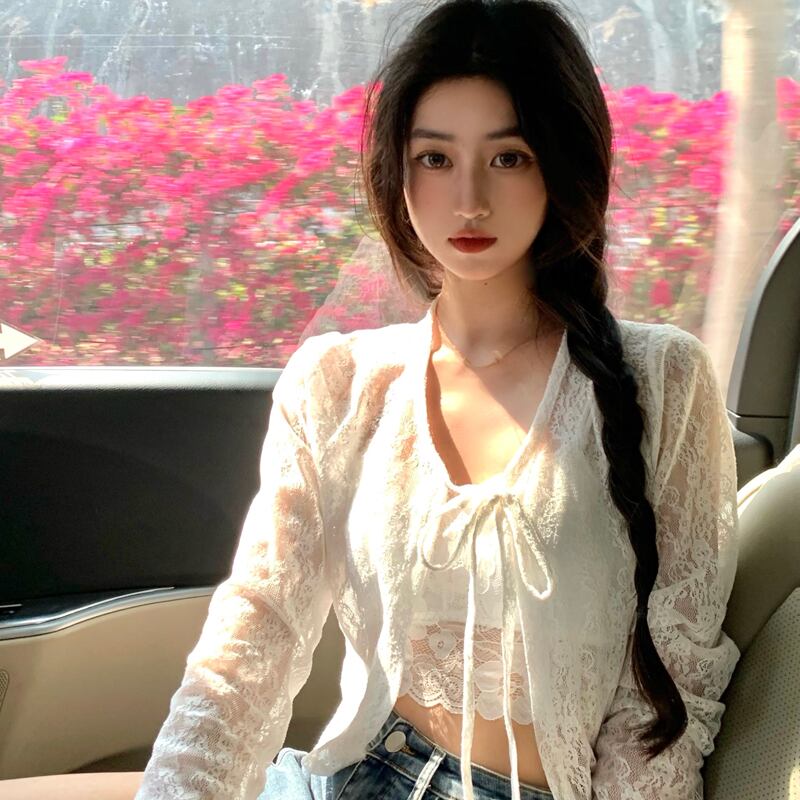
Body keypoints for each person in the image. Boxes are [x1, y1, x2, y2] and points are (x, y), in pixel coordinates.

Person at [3, 1, 740, 798]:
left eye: (509, 157)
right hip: (356, 774)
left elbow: (675, 678)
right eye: (434, 157)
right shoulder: (339, 381)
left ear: (562, 163)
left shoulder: (661, 379)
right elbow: (255, 635)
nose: (468, 199)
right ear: (397, 169)